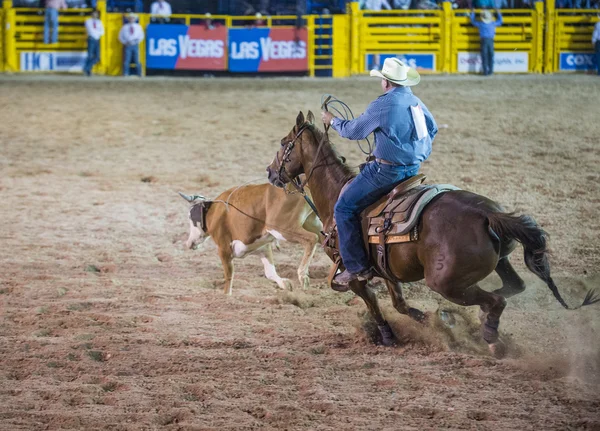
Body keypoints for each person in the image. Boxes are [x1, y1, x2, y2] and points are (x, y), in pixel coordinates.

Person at [320, 58, 438, 286]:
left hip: (386, 172)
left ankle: (356, 267)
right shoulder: (415, 101)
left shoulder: (382, 105)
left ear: (385, 82)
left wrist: (333, 120)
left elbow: (354, 131)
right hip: (413, 169)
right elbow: (431, 129)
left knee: (344, 208)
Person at [470, 9, 503, 76]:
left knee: (484, 55)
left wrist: (472, 13)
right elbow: (500, 21)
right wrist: (499, 13)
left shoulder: (481, 24)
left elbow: (473, 22)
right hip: (490, 40)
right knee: (490, 55)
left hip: (484, 40)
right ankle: (490, 71)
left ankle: (485, 71)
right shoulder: (492, 23)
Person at [118, 13, 145, 77]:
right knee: (127, 59)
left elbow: (141, 36)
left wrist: (137, 41)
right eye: (130, 18)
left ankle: (139, 73)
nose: (131, 19)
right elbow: (120, 36)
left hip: (135, 44)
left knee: (137, 59)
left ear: (135, 19)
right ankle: (125, 73)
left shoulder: (138, 26)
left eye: (133, 18)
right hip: (128, 44)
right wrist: (124, 42)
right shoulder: (125, 27)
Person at [83, 10, 104, 76]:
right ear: (91, 14)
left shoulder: (99, 22)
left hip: (96, 39)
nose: (95, 15)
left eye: (96, 14)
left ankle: (86, 68)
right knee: (90, 55)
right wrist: (97, 33)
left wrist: (96, 33)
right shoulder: (88, 21)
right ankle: (88, 70)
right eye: (94, 14)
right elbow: (90, 30)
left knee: (97, 57)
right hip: (91, 39)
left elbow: (102, 31)